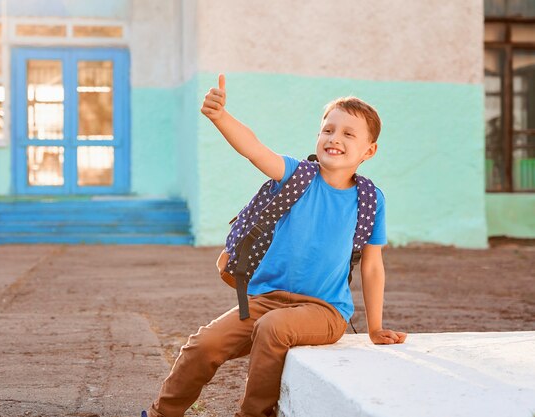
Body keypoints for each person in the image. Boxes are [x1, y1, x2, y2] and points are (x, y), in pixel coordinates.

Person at [144, 74, 407, 417]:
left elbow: (372, 266)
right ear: (317, 136)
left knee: (273, 329)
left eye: (348, 134)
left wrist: (374, 328)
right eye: (328, 129)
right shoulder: (297, 175)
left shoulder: (370, 200)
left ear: (369, 151)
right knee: (203, 345)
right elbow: (254, 149)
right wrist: (220, 116)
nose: (334, 138)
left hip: (325, 311)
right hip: (266, 300)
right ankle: (161, 412)